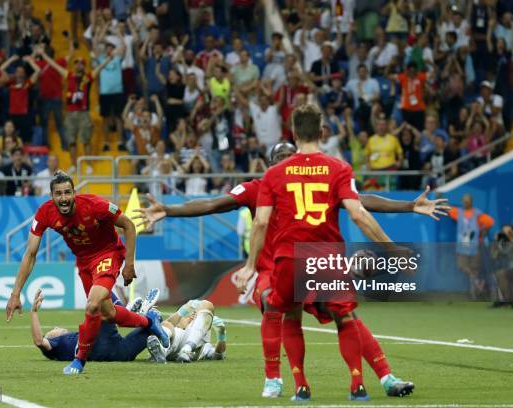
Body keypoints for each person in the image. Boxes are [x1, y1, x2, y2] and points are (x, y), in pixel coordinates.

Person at [134, 141, 448, 399]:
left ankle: (386, 376)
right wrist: (171, 210)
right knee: (275, 303)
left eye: (290, 156)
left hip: (312, 263)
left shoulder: (318, 183)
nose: (286, 162)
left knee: (344, 314)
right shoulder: (258, 188)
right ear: (271, 165)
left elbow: (361, 201)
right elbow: (213, 204)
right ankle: (280, 381)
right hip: (274, 269)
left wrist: (408, 205)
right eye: (280, 158)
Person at [234, 104, 414, 401]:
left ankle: (300, 387)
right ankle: (357, 386)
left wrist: (250, 265)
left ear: (293, 132)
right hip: (325, 256)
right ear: (321, 132)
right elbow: (358, 214)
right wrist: (391, 249)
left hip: (289, 258)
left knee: (289, 316)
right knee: (346, 319)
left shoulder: (274, 174)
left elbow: (261, 222)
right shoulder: (339, 168)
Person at [5, 171, 169, 375]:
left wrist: (129, 264)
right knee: (108, 313)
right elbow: (30, 253)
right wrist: (15, 293)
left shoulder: (95, 205)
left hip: (107, 254)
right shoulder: (45, 213)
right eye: (58, 194)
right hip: (84, 263)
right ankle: (149, 320)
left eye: (67, 192)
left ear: (74, 193)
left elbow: (128, 225)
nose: (63, 198)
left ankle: (79, 360)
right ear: (52, 196)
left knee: (92, 305)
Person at [30, 288, 159, 362]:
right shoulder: (55, 345)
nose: (56, 327)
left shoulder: (65, 343)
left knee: (154, 325)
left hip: (117, 354)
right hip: (96, 342)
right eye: (52, 330)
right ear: (51, 339)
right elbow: (39, 341)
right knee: (98, 291)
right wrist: (34, 312)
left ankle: (137, 315)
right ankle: (126, 311)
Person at [147, 299, 226, 363]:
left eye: (195, 312)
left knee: (207, 304)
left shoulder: (204, 333)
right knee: (167, 325)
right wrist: (182, 312)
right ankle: (161, 350)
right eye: (190, 313)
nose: (192, 315)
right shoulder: (177, 328)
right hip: (172, 341)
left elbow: (218, 355)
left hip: (194, 349)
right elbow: (166, 324)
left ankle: (185, 350)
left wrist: (222, 334)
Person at [449, 194, 495, 299]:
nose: (466, 203)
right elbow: (446, 208)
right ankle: (476, 282)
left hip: (475, 246)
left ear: (471, 201)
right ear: (462, 201)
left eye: (468, 201)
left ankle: (475, 292)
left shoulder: (478, 214)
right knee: (462, 266)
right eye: (464, 201)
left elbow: (490, 222)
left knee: (476, 268)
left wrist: (483, 232)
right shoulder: (458, 212)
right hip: (463, 246)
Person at [490, 225, 513, 308]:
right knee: (500, 274)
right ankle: (506, 300)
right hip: (507, 268)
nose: (506, 234)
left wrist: (512, 239)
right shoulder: (501, 241)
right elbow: (493, 256)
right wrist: (496, 242)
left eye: (508, 231)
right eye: (504, 232)